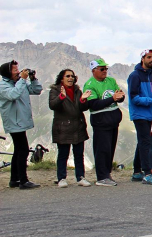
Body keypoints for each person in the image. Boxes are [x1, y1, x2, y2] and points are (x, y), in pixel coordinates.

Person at [81, 59, 124, 186]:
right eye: (102, 69)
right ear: (94, 70)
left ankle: (107, 174)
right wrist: (112, 98)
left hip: (113, 120)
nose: (105, 71)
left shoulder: (111, 80)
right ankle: (101, 177)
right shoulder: (90, 85)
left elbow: (119, 95)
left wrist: (120, 97)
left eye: (106, 69)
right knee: (102, 149)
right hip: (101, 121)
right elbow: (93, 104)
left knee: (110, 149)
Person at [0, 61, 43, 189]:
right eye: (14, 70)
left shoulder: (20, 82)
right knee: (23, 149)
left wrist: (33, 79)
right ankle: (23, 180)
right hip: (14, 122)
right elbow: (13, 95)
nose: (18, 72)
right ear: (8, 73)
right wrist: (23, 80)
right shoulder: (2, 85)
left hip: (20, 121)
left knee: (19, 150)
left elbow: (36, 90)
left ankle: (14, 180)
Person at [127, 49, 152, 185]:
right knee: (145, 142)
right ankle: (147, 173)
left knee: (143, 141)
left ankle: (137, 172)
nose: (151, 60)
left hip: (149, 114)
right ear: (142, 58)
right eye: (149, 57)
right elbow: (134, 98)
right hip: (139, 114)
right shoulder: (135, 76)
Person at [48, 69, 91, 187]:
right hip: (63, 127)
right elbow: (52, 105)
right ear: (62, 78)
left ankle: (81, 177)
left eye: (72, 76)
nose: (70, 78)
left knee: (79, 154)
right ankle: (61, 178)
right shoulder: (55, 90)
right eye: (68, 76)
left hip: (78, 126)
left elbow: (83, 108)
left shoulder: (77, 90)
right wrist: (61, 97)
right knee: (63, 154)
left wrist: (83, 100)